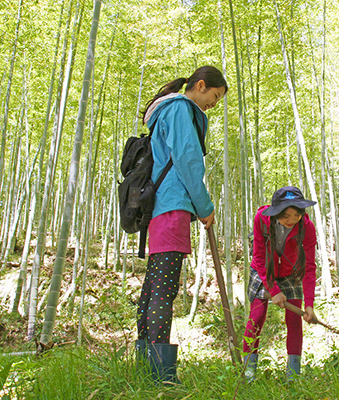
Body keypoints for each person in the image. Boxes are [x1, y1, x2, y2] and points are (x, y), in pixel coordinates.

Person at [135, 66, 227, 385]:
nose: (213, 103)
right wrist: (205, 207)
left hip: (160, 207)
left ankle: (145, 366)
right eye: (214, 96)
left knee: (153, 286)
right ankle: (161, 377)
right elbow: (188, 160)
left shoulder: (168, 110)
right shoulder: (180, 109)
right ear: (200, 86)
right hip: (173, 205)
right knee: (163, 288)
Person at [242, 186, 318, 382]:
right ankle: (248, 372)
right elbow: (259, 256)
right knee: (257, 317)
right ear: (276, 213)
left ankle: (293, 375)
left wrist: (309, 303)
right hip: (262, 269)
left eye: (296, 215)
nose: (292, 220)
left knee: (294, 319)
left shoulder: (307, 227)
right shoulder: (262, 219)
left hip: (290, 271)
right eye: (286, 216)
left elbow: (309, 267)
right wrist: (273, 290)